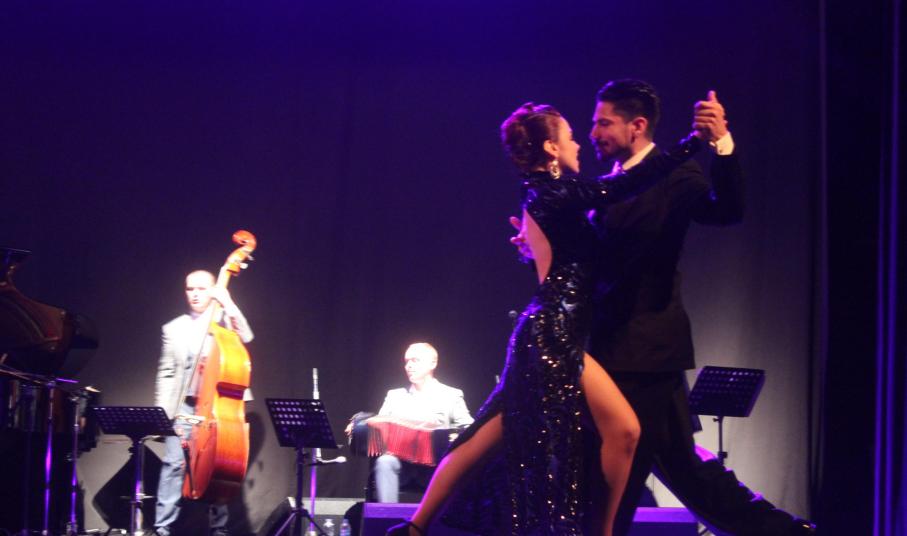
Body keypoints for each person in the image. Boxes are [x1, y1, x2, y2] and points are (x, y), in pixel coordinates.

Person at [387, 104, 702, 536]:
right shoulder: (554, 192)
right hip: (553, 334)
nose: (579, 143)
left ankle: (414, 527)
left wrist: (532, 248)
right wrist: (692, 144)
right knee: (624, 430)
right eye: (570, 136)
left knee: (490, 432)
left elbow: (561, 259)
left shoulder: (541, 195)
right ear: (552, 148)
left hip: (546, 330)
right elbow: (622, 185)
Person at [514, 79, 813, 535]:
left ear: (636, 126)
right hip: (611, 346)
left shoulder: (676, 176)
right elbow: (593, 260)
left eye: (603, 123)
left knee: (633, 469)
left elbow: (726, 210)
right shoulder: (605, 185)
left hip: (646, 350)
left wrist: (721, 144)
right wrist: (536, 247)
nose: (593, 133)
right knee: (667, 468)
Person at [153, 270, 254, 536]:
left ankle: (218, 530)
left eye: (201, 288)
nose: (195, 294)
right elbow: (166, 373)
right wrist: (165, 417)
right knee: (173, 466)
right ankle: (162, 528)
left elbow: (246, 336)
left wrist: (228, 302)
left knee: (219, 466)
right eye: (190, 289)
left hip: (217, 408)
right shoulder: (173, 328)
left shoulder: (224, 323)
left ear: (213, 290)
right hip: (184, 408)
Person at [369, 342, 474, 502]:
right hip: (401, 464)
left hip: (437, 466)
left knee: (454, 465)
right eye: (407, 361)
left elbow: (469, 428)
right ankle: (388, 513)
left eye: (415, 360)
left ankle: (447, 515)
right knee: (384, 462)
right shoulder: (394, 396)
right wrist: (367, 426)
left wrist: (453, 437)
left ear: (433, 363)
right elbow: (380, 428)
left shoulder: (451, 395)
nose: (409, 366)